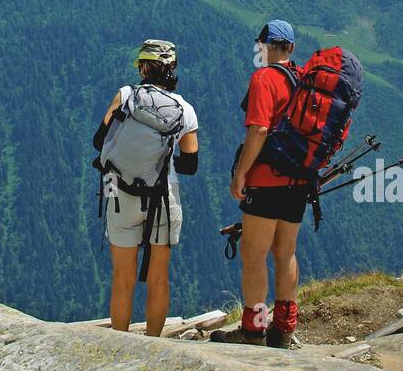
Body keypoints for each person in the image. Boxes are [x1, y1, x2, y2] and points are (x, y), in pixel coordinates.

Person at [92, 40, 199, 337]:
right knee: (159, 278)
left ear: (143, 67)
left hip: (118, 191)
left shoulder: (125, 95)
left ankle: (119, 343)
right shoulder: (184, 110)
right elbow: (191, 166)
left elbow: (99, 141)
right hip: (164, 194)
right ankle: (154, 345)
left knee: (122, 279)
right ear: (172, 68)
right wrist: (162, 154)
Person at [212, 20, 305, 348]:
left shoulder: (263, 79)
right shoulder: (304, 80)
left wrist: (241, 173)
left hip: (266, 182)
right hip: (300, 182)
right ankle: (285, 329)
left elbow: (259, 130)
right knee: (286, 253)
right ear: (291, 47)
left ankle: (253, 330)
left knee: (254, 255)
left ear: (265, 46)